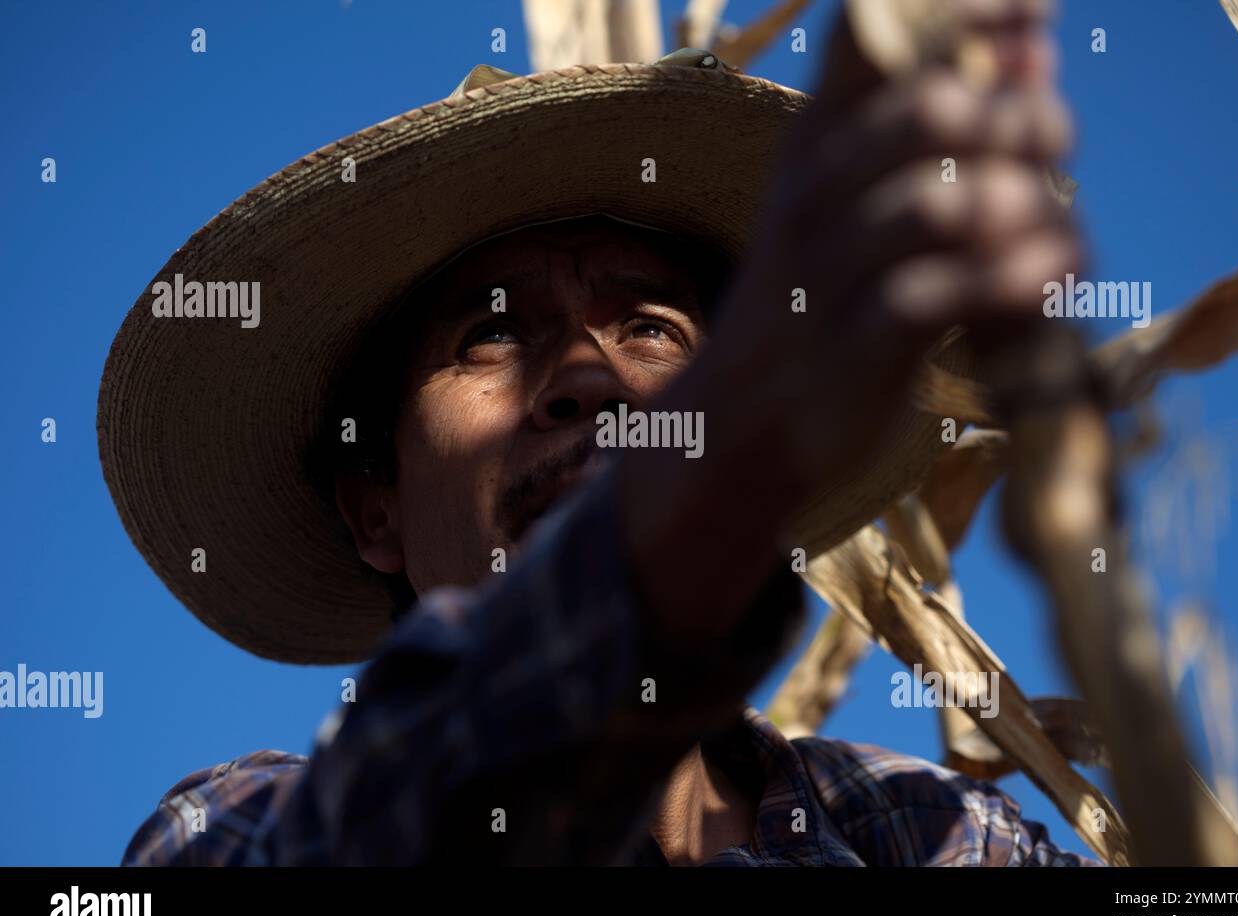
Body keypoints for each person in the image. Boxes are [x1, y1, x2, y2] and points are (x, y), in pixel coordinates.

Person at [106, 1, 1101, 865]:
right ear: (377, 513)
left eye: (652, 328)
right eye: (491, 333)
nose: (589, 375)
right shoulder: (226, 830)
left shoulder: (927, 830)